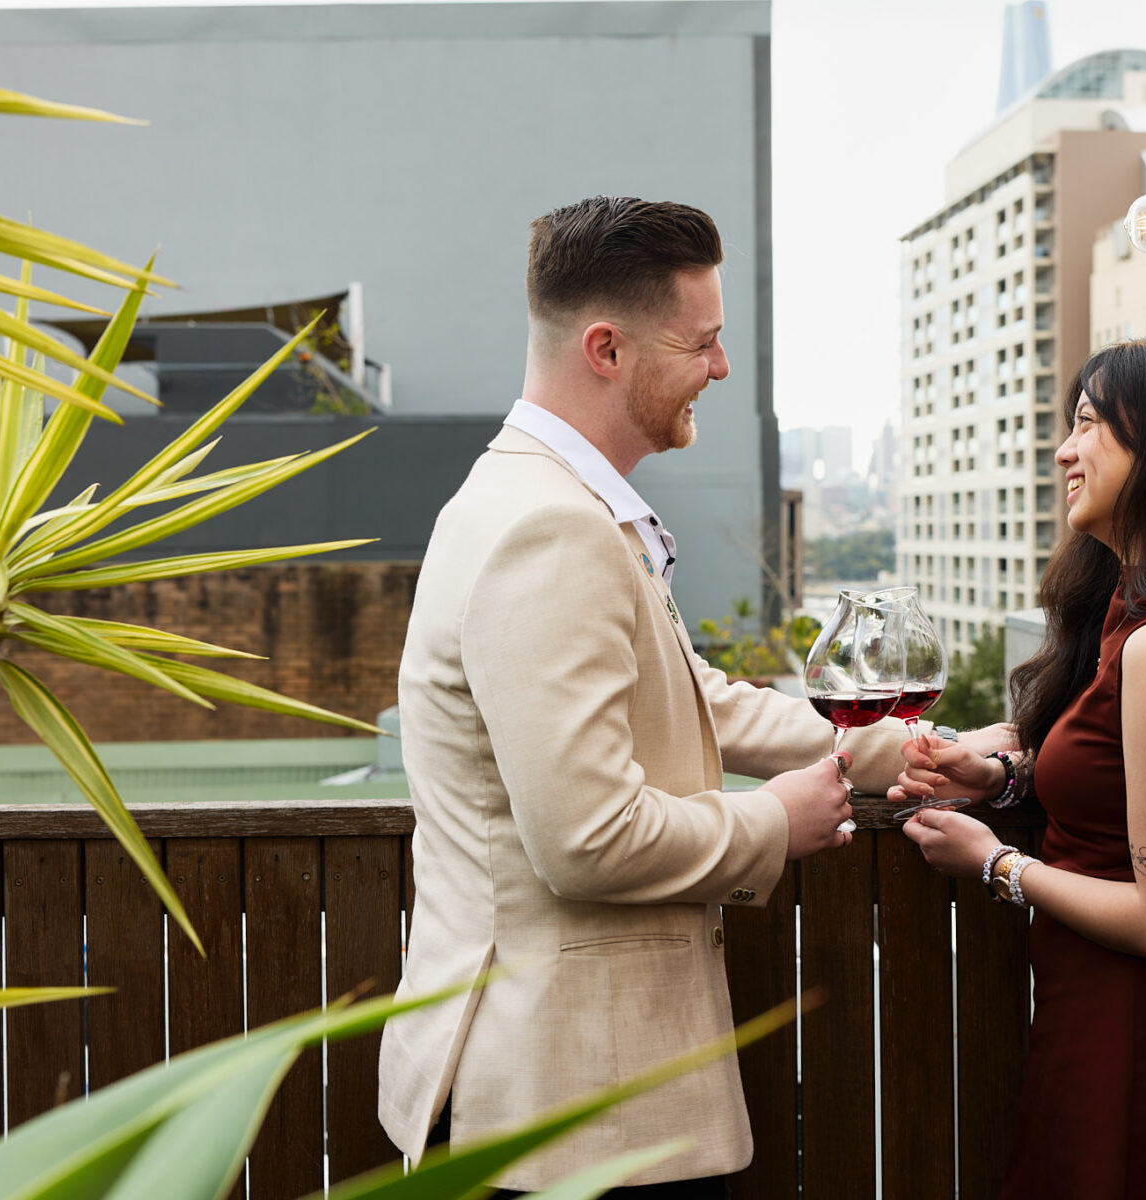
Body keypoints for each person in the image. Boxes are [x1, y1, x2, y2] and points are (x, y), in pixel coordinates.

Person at [378, 196, 914, 1197]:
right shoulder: (549, 528)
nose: (717, 367)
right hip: (572, 1113)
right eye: (700, 342)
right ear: (606, 350)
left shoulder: (553, 506)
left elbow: (698, 703)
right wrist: (770, 823)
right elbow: (584, 837)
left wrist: (908, 755)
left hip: (578, 1101)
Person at [891, 337, 1146, 1198]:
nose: (1063, 450)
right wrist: (1000, 778)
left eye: (1088, 424)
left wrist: (994, 861)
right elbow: (1123, 786)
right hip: (1098, 1018)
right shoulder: (1133, 610)